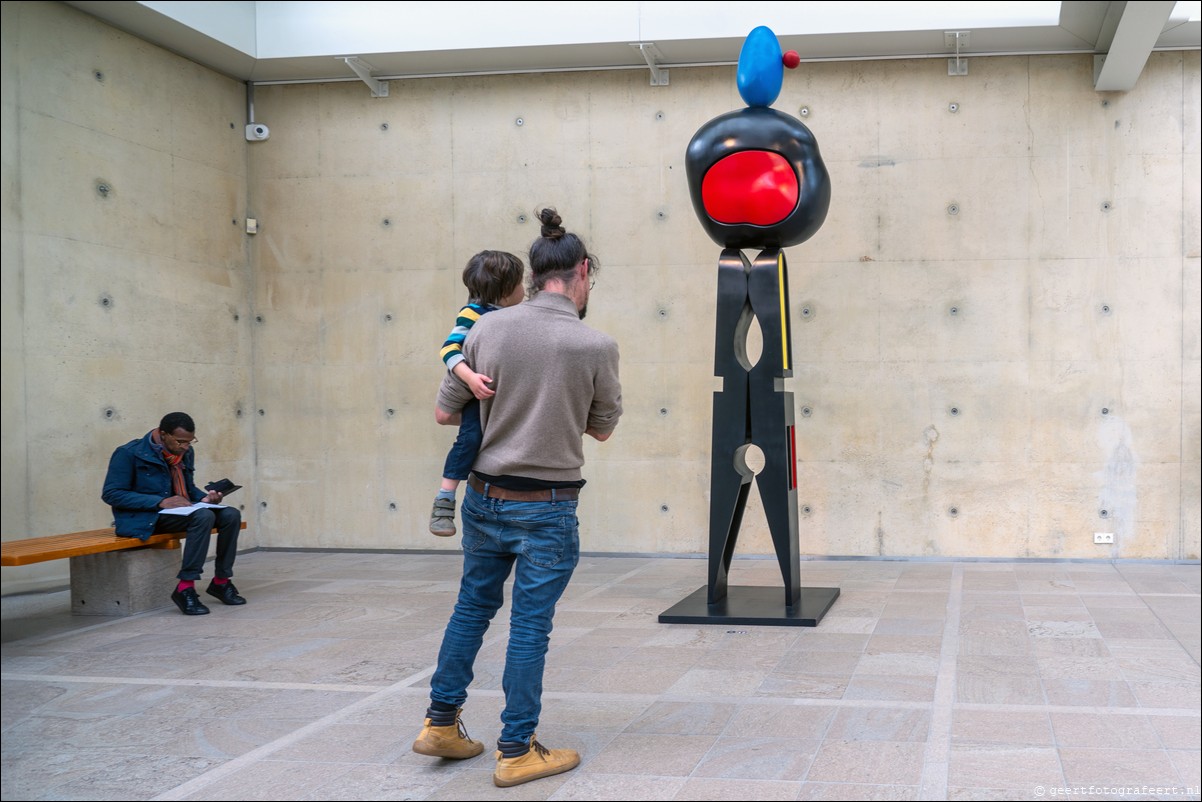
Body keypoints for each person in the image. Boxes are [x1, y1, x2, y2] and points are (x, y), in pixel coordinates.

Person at [412, 208, 622, 787]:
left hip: (482, 498)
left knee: (472, 608)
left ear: (532, 275)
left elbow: (444, 411)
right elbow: (601, 428)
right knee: (530, 625)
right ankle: (516, 748)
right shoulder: (595, 345)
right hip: (548, 505)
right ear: (581, 272)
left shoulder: (484, 328)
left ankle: (440, 723)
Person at [101, 412, 244, 616]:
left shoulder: (184, 452)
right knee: (203, 517)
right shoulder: (128, 453)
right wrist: (160, 501)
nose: (185, 447)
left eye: (190, 441)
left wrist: (204, 499)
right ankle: (185, 587)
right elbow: (112, 494)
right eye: (180, 441)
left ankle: (221, 581)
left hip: (178, 511)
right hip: (145, 518)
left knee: (231, 515)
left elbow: (187, 488)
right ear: (163, 434)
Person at [429, 250, 527, 537]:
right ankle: (445, 498)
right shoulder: (472, 313)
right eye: (520, 283)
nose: (525, 289)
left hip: (502, 395)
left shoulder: (515, 315)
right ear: (506, 291)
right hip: (476, 391)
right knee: (470, 437)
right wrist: (469, 377)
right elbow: (449, 349)